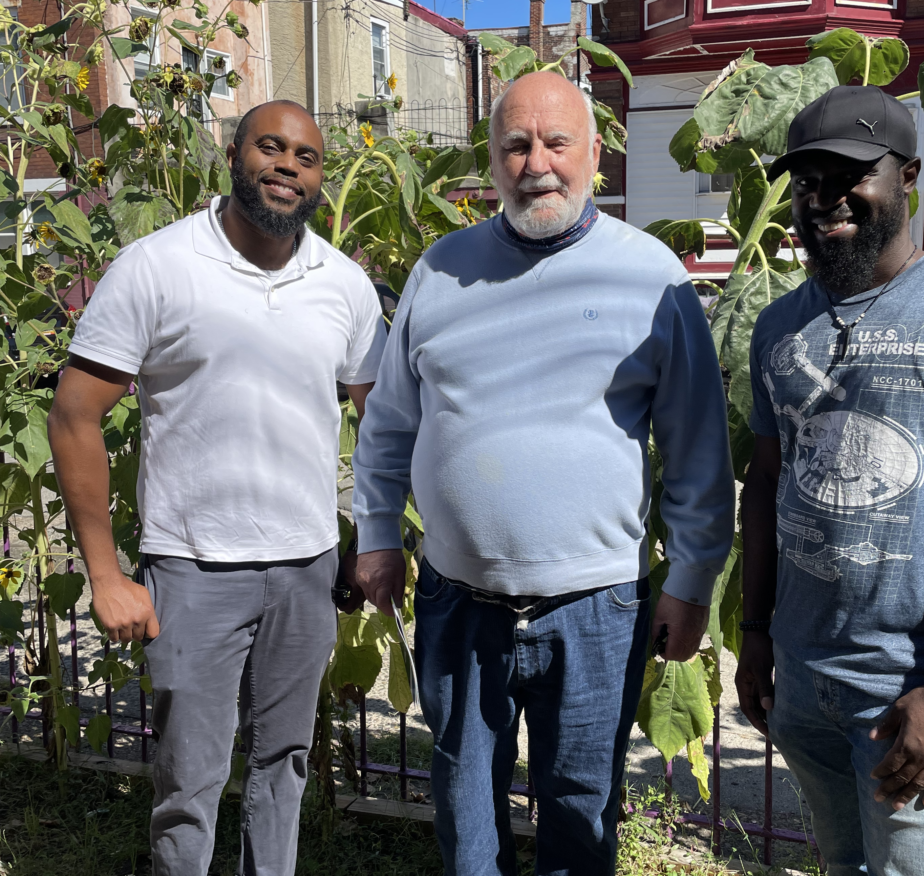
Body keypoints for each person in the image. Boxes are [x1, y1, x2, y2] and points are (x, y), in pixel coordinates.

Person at [351, 71, 736, 876]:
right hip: (458, 599)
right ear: (492, 161)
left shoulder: (651, 276)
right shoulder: (440, 271)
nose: (537, 164)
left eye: (557, 143)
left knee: (581, 807)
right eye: (515, 145)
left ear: (594, 154)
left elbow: (697, 447)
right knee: (464, 808)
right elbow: (390, 421)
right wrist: (378, 533)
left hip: (597, 606)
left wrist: (693, 579)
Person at [47, 100, 387, 875]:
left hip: (305, 572)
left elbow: (387, 424)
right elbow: (74, 415)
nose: (286, 167)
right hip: (192, 571)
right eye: (270, 147)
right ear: (234, 154)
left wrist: (371, 536)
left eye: (305, 158)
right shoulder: (157, 267)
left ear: (319, 179)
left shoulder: (343, 285)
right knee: (189, 784)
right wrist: (105, 573)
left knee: (284, 769)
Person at [736, 85, 924, 875]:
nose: (824, 198)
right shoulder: (778, 323)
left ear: (910, 174)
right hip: (803, 680)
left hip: (913, 691)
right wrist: (755, 633)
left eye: (849, 175)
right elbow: (766, 480)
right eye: (805, 182)